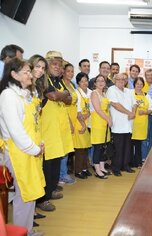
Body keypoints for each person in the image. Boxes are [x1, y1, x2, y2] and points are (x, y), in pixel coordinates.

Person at [0, 58, 45, 235]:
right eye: (26, 72)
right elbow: (16, 130)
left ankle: (27, 230)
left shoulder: (24, 93)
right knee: (24, 194)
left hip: (30, 149)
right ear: (14, 74)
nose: (31, 75)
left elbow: (33, 123)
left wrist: (39, 145)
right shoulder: (8, 96)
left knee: (31, 192)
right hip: (19, 152)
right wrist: (34, 149)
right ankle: (22, 231)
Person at [36, 51, 73, 212]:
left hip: (57, 130)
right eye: (54, 64)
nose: (58, 67)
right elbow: (52, 96)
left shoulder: (58, 81)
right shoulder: (43, 80)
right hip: (46, 130)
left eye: (60, 65)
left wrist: (62, 94)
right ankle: (42, 198)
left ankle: (51, 190)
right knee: (46, 164)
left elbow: (69, 99)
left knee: (56, 160)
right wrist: (63, 95)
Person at [28, 55, 48, 226]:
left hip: (37, 134)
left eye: (43, 68)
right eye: (38, 66)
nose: (40, 70)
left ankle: (32, 212)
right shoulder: (23, 88)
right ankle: (27, 215)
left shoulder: (37, 87)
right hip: (26, 137)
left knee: (36, 175)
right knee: (28, 177)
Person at [107, 73, 137, 176]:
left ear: (126, 81)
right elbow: (115, 105)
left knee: (127, 147)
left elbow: (135, 103)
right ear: (114, 80)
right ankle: (116, 168)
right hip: (118, 124)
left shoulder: (129, 91)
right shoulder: (111, 90)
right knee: (118, 148)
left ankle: (125, 165)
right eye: (119, 79)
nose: (121, 81)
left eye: (123, 79)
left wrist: (133, 113)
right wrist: (129, 113)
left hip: (128, 125)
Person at [90, 75, 112, 179]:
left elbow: (107, 109)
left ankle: (102, 167)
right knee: (98, 148)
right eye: (98, 81)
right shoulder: (94, 94)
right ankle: (97, 170)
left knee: (104, 147)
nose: (100, 82)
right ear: (95, 83)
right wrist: (108, 119)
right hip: (98, 123)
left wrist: (110, 119)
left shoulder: (103, 93)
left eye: (102, 81)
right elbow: (98, 110)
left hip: (105, 124)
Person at [59, 63, 77, 185]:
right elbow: (63, 107)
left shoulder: (72, 84)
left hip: (74, 118)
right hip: (65, 119)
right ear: (63, 72)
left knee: (69, 148)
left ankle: (63, 173)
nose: (70, 73)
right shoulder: (61, 85)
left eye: (72, 71)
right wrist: (69, 122)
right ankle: (62, 175)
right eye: (68, 71)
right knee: (63, 149)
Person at [73, 72, 92, 179]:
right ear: (78, 83)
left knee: (85, 148)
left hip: (87, 123)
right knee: (80, 149)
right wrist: (83, 124)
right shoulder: (76, 94)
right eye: (82, 81)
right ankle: (78, 171)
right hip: (79, 124)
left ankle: (85, 168)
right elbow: (78, 112)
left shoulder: (90, 92)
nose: (84, 83)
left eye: (86, 80)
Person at [131, 77, 152, 167]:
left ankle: (138, 162)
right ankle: (130, 162)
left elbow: (151, 109)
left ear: (143, 85)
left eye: (141, 84)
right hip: (132, 123)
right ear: (134, 84)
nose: (139, 85)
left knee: (139, 144)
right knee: (131, 144)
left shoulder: (147, 95)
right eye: (137, 84)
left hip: (142, 123)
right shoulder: (130, 94)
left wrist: (144, 112)